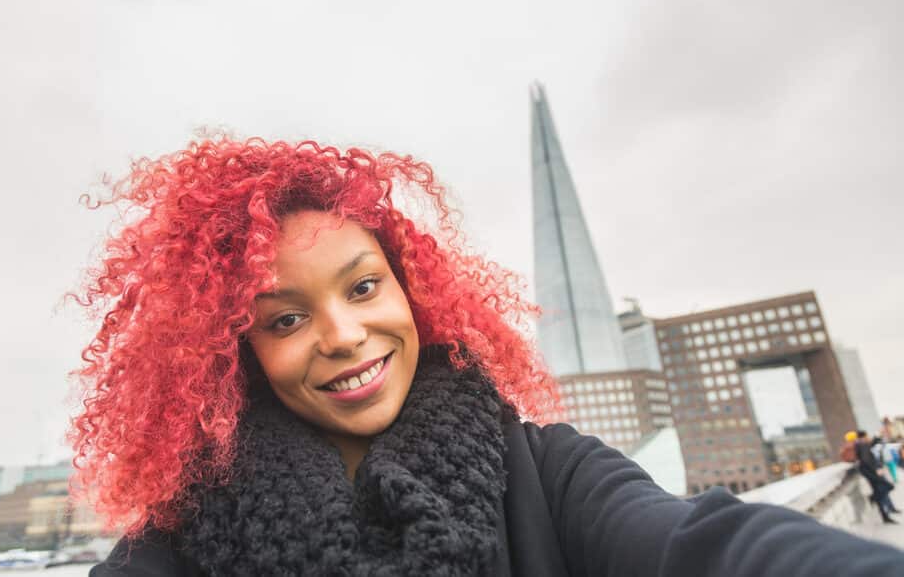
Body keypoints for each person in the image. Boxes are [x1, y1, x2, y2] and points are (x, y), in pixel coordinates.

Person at [74, 137, 904, 576]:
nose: (342, 334)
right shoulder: (184, 543)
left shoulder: (548, 474)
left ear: (411, 293)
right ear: (238, 356)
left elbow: (704, 544)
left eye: (363, 288)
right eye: (285, 318)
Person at [856, 430, 900, 522]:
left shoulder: (860, 444)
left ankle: (886, 513)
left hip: (870, 472)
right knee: (887, 487)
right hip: (872, 473)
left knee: (882, 491)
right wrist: (876, 470)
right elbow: (866, 459)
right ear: (864, 436)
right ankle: (874, 499)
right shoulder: (862, 444)